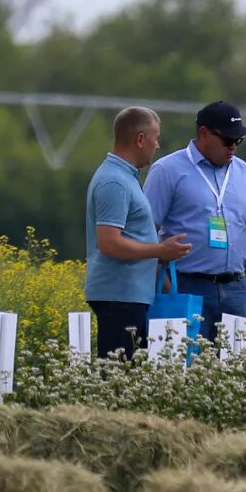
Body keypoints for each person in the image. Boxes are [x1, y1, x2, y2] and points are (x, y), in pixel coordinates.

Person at [143, 100, 246, 340]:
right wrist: (163, 282)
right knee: (186, 365)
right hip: (186, 284)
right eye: (227, 140)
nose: (233, 147)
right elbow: (145, 230)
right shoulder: (168, 170)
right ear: (204, 134)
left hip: (235, 287)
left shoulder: (243, 172)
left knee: (239, 368)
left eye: (238, 140)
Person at [84, 106, 192, 360]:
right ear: (140, 139)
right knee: (118, 378)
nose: (157, 145)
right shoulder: (115, 182)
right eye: (155, 138)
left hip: (129, 294)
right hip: (119, 296)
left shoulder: (125, 177)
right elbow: (109, 243)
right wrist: (160, 250)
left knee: (129, 375)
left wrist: (161, 256)